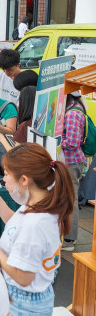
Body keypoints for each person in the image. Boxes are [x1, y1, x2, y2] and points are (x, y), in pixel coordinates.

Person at [0, 143, 72, 316]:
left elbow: (22, 276)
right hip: (25, 300)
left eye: (7, 175)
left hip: (23, 304)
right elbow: (15, 227)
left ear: (24, 180)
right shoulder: (39, 204)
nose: (3, 180)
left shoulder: (36, 223)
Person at [60, 91, 87, 251]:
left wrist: (54, 139)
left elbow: (72, 142)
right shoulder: (75, 107)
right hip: (69, 161)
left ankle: (69, 239)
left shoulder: (72, 113)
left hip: (71, 161)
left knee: (70, 199)